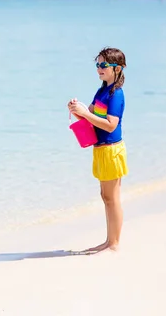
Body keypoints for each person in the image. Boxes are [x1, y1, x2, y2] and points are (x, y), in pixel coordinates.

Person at [68, 47, 128, 253]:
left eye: (104, 65)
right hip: (101, 149)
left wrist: (86, 112)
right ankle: (109, 241)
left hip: (112, 150)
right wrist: (77, 111)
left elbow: (110, 124)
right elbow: (90, 118)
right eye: (98, 65)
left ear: (117, 68)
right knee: (106, 197)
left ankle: (114, 244)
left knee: (113, 198)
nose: (99, 69)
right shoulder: (101, 91)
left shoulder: (116, 94)